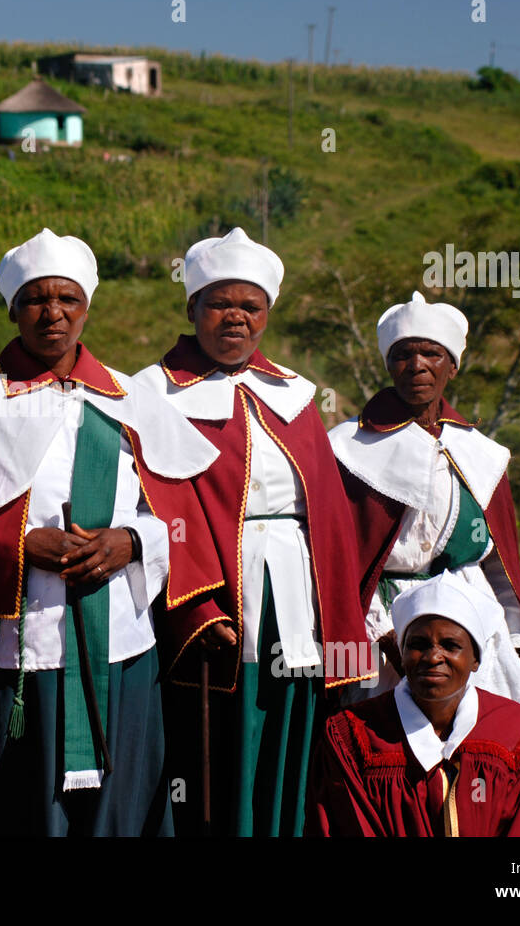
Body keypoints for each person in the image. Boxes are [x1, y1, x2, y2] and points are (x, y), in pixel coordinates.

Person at [0, 228, 221, 836]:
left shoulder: (126, 398)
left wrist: (130, 543)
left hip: (118, 644)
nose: (52, 314)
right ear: (12, 309)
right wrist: (20, 543)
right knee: (19, 809)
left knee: (119, 807)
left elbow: (177, 513)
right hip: (12, 650)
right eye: (35, 299)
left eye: (68, 299)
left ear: (87, 307)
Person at [133, 227, 374, 837]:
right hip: (216, 600)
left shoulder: (293, 393)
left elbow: (331, 522)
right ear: (192, 309)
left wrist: (345, 622)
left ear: (267, 314)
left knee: (294, 733)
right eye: (220, 303)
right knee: (218, 741)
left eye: (251, 306)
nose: (236, 318)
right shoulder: (149, 393)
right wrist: (198, 607)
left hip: (299, 596)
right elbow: (154, 510)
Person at [328, 291, 520, 706]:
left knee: (479, 740)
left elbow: (499, 567)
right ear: (389, 364)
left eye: (432, 353)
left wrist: (518, 646)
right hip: (380, 629)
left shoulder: (481, 454)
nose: (417, 366)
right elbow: (340, 560)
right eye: (404, 354)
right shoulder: (346, 449)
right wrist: (382, 633)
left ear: (453, 366)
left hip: (472, 624)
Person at [307, 572, 520, 836]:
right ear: (401, 656)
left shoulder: (519, 736)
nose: (433, 656)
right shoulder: (354, 738)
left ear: (476, 660)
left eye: (450, 645)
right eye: (418, 644)